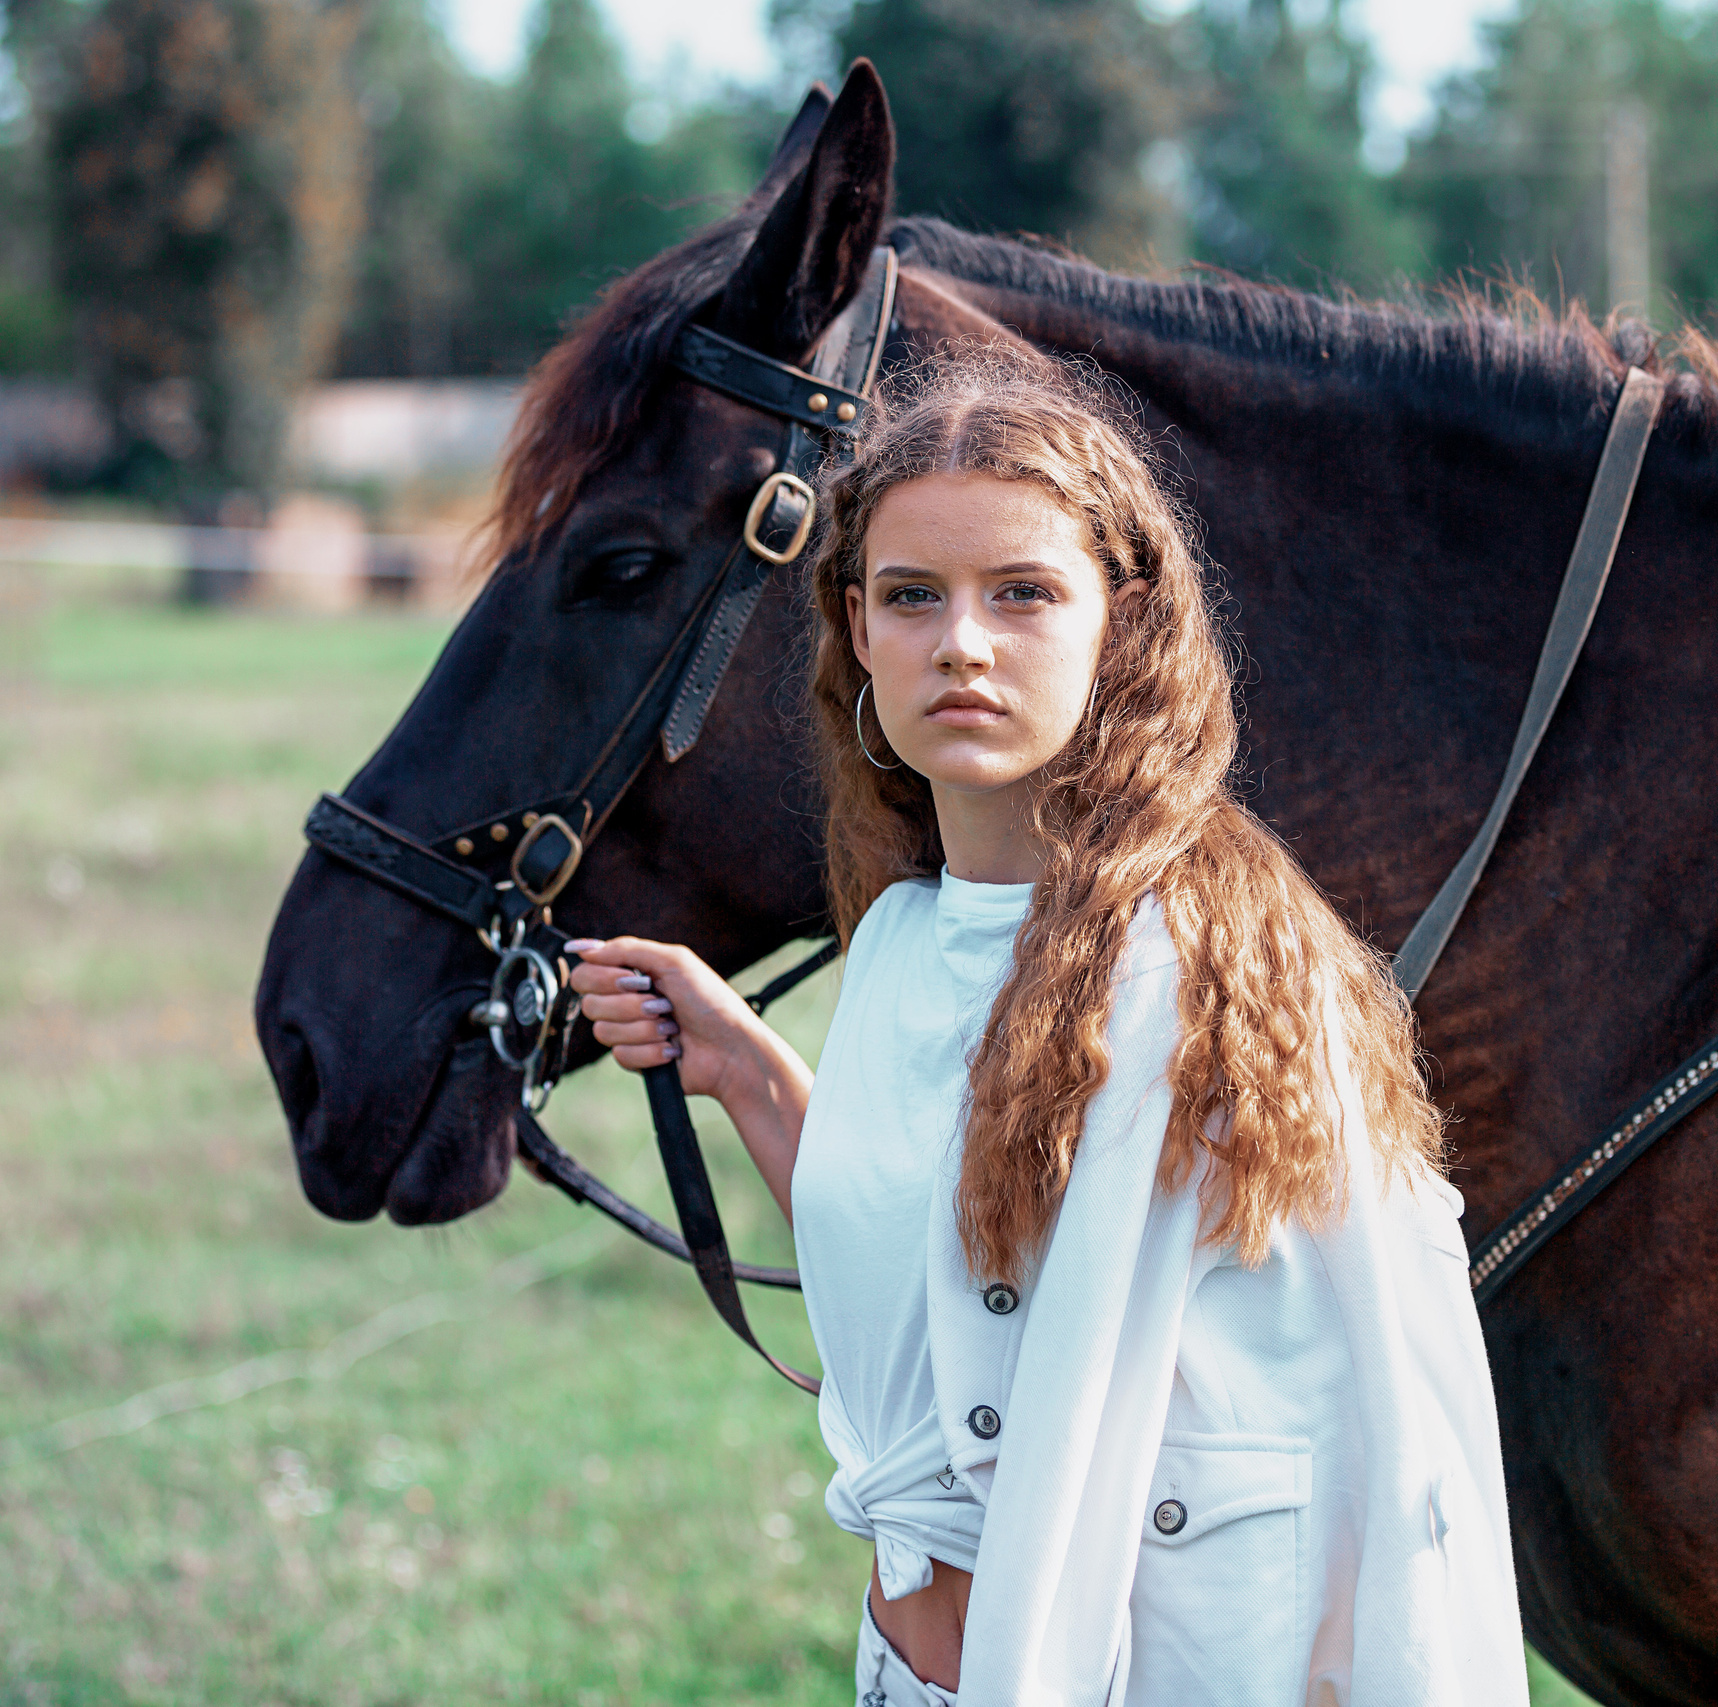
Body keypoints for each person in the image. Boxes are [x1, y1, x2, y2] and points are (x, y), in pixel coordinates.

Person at [564, 348, 1524, 1706]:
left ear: (1118, 626)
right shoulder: (902, 935)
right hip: (913, 1676)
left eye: (1023, 593)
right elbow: (937, 1291)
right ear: (851, 627)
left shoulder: (1196, 968)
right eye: (912, 597)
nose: (962, 642)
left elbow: (1374, 1423)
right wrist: (749, 1078)